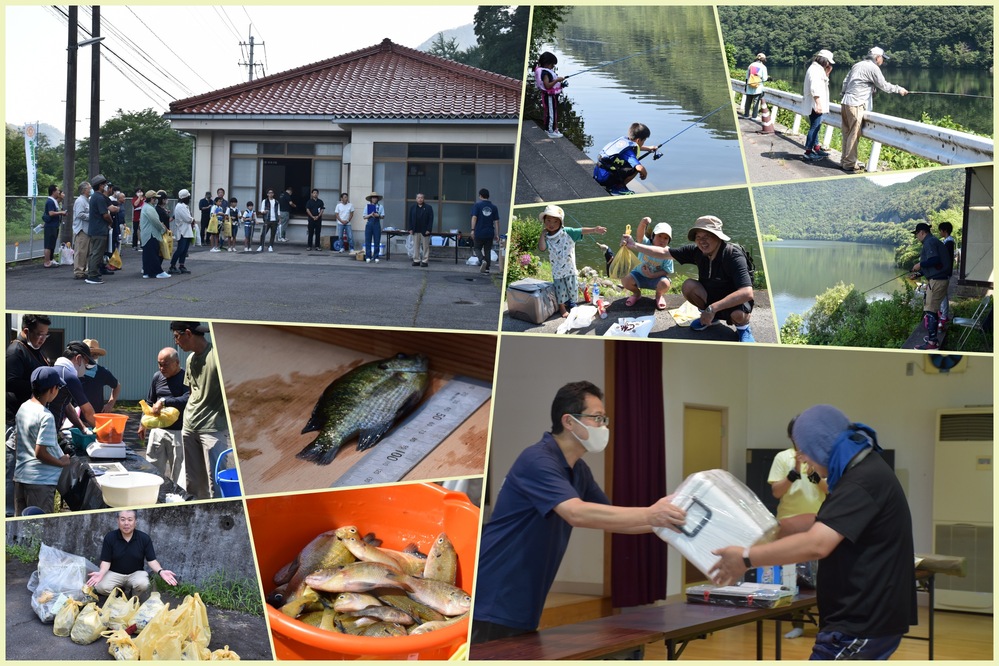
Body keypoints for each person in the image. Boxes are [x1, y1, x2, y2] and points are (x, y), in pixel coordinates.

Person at [471, 381, 686, 643]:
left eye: (604, 418)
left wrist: (669, 524)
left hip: (525, 596)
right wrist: (653, 515)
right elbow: (577, 513)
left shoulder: (578, 470)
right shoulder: (537, 460)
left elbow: (611, 518)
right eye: (597, 418)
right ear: (569, 422)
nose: (604, 426)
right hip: (495, 593)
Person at [710, 404, 915, 660]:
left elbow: (818, 543)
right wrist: (771, 528)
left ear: (821, 447)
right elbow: (822, 522)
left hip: (862, 622)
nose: (804, 461)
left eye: (805, 453)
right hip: (859, 618)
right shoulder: (862, 472)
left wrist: (746, 558)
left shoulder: (862, 480)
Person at [623, 215, 756, 342]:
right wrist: (633, 245)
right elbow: (664, 252)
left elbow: (747, 293)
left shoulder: (733, 255)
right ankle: (710, 319)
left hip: (732, 302)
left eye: (707, 236)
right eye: (698, 237)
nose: (702, 241)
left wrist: (712, 309)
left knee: (738, 315)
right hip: (711, 298)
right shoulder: (696, 251)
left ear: (718, 237)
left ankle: (743, 328)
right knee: (688, 286)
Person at [769, 415, 828, 639]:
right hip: (790, 524)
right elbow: (776, 492)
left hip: (819, 521)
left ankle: (825, 623)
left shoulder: (820, 457)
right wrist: (794, 471)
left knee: (823, 576)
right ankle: (798, 624)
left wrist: (811, 471)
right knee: (793, 577)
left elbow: (828, 489)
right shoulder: (782, 457)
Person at [170, 322, 228, 500]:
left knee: (216, 483)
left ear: (187, 333)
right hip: (189, 427)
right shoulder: (190, 359)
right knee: (192, 483)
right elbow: (192, 392)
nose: (176, 343)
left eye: (177, 337)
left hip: (213, 428)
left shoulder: (217, 356)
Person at [839, 47, 909, 173]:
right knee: (854, 134)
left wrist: (843, 93)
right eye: (882, 58)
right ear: (877, 58)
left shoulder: (857, 65)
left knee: (846, 133)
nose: (883, 61)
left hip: (845, 102)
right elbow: (883, 85)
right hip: (856, 103)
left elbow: (845, 81)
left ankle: (844, 160)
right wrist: (899, 89)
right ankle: (849, 164)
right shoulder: (873, 67)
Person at [13, 367, 69, 516]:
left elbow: (18, 440)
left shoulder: (23, 408)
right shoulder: (46, 416)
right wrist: (61, 462)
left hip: (21, 476)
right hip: (40, 482)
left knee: (21, 530)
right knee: (41, 530)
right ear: (52, 389)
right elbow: (40, 453)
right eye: (58, 387)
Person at [86, 510, 178, 599]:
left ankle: (133, 596)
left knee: (143, 584)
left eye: (130, 519)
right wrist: (101, 573)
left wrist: (161, 571)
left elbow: (152, 560)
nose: (126, 523)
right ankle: (118, 592)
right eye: (122, 519)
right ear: (118, 521)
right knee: (100, 587)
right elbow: (106, 561)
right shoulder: (110, 537)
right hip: (115, 573)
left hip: (135, 574)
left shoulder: (144, 538)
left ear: (135, 522)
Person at [538, 204, 606, 317]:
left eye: (555, 221)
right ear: (544, 221)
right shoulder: (546, 236)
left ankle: (572, 302)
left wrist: (594, 229)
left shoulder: (568, 232)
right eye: (548, 220)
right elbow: (542, 248)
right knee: (560, 290)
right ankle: (562, 308)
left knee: (572, 288)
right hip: (557, 270)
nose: (551, 224)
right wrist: (542, 234)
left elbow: (580, 230)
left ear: (561, 222)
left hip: (570, 269)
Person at [141, 347, 189, 485]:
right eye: (159, 364)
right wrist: (142, 424)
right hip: (158, 431)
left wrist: (164, 401)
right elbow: (150, 401)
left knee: (179, 473)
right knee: (153, 470)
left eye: (165, 364)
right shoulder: (157, 376)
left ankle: (179, 502)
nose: (162, 368)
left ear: (177, 362)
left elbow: (187, 399)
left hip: (178, 433)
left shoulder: (185, 377)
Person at [911, 222, 952, 350]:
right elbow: (935, 264)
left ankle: (932, 343)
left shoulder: (929, 242)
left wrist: (920, 264)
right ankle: (932, 339)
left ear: (922, 232)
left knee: (931, 310)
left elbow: (934, 260)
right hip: (937, 279)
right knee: (931, 309)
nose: (916, 237)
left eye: (916, 234)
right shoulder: (933, 241)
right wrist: (918, 274)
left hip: (937, 281)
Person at [592, 123, 659, 196]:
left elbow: (635, 147)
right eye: (644, 141)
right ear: (638, 140)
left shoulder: (623, 141)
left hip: (598, 174)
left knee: (625, 164)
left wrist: (649, 148)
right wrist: (645, 174)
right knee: (635, 168)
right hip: (605, 179)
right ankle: (617, 188)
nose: (643, 143)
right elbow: (640, 168)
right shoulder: (629, 152)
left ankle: (614, 186)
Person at [622, 217, 674, 310]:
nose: (662, 240)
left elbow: (666, 271)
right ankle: (637, 294)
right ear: (653, 236)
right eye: (659, 236)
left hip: (655, 279)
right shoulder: (646, 244)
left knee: (665, 283)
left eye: (666, 238)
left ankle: (658, 296)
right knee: (625, 279)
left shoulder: (667, 252)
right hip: (639, 276)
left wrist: (653, 275)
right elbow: (640, 236)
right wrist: (643, 223)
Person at [48, 341, 97, 433]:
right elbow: (88, 412)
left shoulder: (53, 370)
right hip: (48, 431)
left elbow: (66, 405)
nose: (85, 368)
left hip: (38, 427)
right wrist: (104, 434)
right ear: (78, 358)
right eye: (86, 364)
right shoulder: (70, 377)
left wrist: (83, 428)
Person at [85, 174, 120, 285]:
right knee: (97, 253)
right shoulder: (99, 198)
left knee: (94, 252)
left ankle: (92, 273)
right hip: (99, 229)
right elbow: (105, 214)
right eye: (104, 184)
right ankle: (93, 275)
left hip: (94, 229)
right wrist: (110, 222)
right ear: (100, 186)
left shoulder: (95, 197)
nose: (106, 186)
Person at [801, 50, 835, 162]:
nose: (829, 65)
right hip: (815, 103)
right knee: (815, 127)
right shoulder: (815, 70)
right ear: (824, 60)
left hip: (814, 103)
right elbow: (814, 88)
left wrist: (827, 73)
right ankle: (808, 152)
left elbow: (822, 84)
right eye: (828, 62)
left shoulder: (817, 69)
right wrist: (818, 104)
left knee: (816, 126)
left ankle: (816, 148)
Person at [80, 339, 121, 414]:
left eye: (95, 355)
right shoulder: (74, 372)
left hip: (96, 416)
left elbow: (117, 386)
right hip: (76, 418)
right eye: (89, 354)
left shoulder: (102, 372)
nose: (92, 357)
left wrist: (110, 404)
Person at [139, 190, 171, 279]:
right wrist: (162, 229)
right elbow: (156, 221)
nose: (157, 200)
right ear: (152, 199)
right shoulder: (149, 208)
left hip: (146, 234)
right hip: (151, 234)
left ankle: (147, 272)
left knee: (147, 254)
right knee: (153, 254)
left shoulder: (145, 207)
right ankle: (158, 272)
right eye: (155, 198)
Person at [533, 51, 565, 138]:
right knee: (551, 113)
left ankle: (553, 129)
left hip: (551, 96)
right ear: (547, 64)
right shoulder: (545, 73)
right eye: (552, 64)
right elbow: (547, 86)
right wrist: (557, 80)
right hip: (549, 96)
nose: (553, 66)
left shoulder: (545, 71)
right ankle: (550, 131)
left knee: (552, 112)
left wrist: (560, 84)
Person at [470, 188, 500, 275]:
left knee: (477, 248)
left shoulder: (477, 206)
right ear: (488, 196)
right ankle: (487, 269)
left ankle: (482, 260)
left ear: (480, 196)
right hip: (490, 232)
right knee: (487, 250)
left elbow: (474, 217)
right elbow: (497, 221)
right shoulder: (494, 207)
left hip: (479, 231)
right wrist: (497, 234)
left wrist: (472, 230)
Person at [169, 189, 195, 273]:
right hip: (182, 231)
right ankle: (172, 265)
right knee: (180, 249)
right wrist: (192, 219)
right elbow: (187, 219)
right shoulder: (180, 206)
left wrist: (191, 219)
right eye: (188, 196)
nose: (189, 198)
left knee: (184, 250)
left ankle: (181, 265)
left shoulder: (183, 205)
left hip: (186, 230)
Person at [937, 221, 957, 328]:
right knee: (942, 294)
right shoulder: (948, 241)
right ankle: (943, 313)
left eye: (940, 230)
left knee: (943, 294)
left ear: (945, 231)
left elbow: (946, 259)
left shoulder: (949, 243)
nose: (939, 232)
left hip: (945, 272)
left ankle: (944, 316)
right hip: (946, 271)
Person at [42, 184, 67, 268]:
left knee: (52, 243)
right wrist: (61, 213)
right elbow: (51, 213)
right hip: (50, 225)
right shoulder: (50, 201)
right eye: (57, 190)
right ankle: (47, 261)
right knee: (48, 244)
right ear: (53, 191)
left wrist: (61, 197)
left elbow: (58, 202)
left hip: (54, 225)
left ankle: (51, 259)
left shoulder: (53, 201)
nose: (58, 192)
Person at [72, 181, 92, 279]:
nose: (91, 190)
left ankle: (84, 270)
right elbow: (80, 214)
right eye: (89, 188)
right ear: (84, 190)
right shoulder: (80, 201)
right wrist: (92, 216)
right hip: (81, 229)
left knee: (86, 252)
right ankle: (79, 271)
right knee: (80, 252)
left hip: (87, 229)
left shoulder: (87, 200)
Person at [408, 192, 433, 267]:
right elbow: (409, 219)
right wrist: (410, 228)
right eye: (418, 198)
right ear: (416, 199)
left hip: (425, 230)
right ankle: (416, 260)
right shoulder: (412, 207)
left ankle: (425, 261)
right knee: (416, 246)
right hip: (415, 230)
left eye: (421, 197)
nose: (420, 199)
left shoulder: (428, 207)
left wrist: (429, 229)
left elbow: (431, 219)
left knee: (425, 246)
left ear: (423, 199)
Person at [743, 53, 769, 118]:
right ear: (763, 59)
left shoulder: (751, 65)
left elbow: (747, 77)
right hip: (758, 87)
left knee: (748, 102)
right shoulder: (763, 67)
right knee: (756, 102)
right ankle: (754, 116)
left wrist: (746, 86)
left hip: (749, 86)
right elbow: (764, 78)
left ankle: (746, 115)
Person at [362, 191, 385, 263]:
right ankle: (368, 256)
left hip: (377, 224)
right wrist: (370, 215)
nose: (374, 199)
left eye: (375, 198)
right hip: (369, 223)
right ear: (370, 199)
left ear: (377, 199)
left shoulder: (380, 206)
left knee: (377, 240)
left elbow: (383, 216)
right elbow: (364, 217)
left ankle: (376, 256)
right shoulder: (367, 206)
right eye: (373, 198)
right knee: (368, 240)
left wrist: (378, 215)